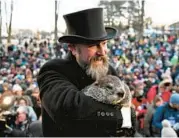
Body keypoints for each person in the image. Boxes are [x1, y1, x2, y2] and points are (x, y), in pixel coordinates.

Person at [37, 8, 136, 137]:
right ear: (73, 48)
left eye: (104, 43)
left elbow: (130, 120)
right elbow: (70, 110)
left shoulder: (109, 70)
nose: (102, 51)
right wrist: (122, 115)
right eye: (93, 45)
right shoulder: (53, 70)